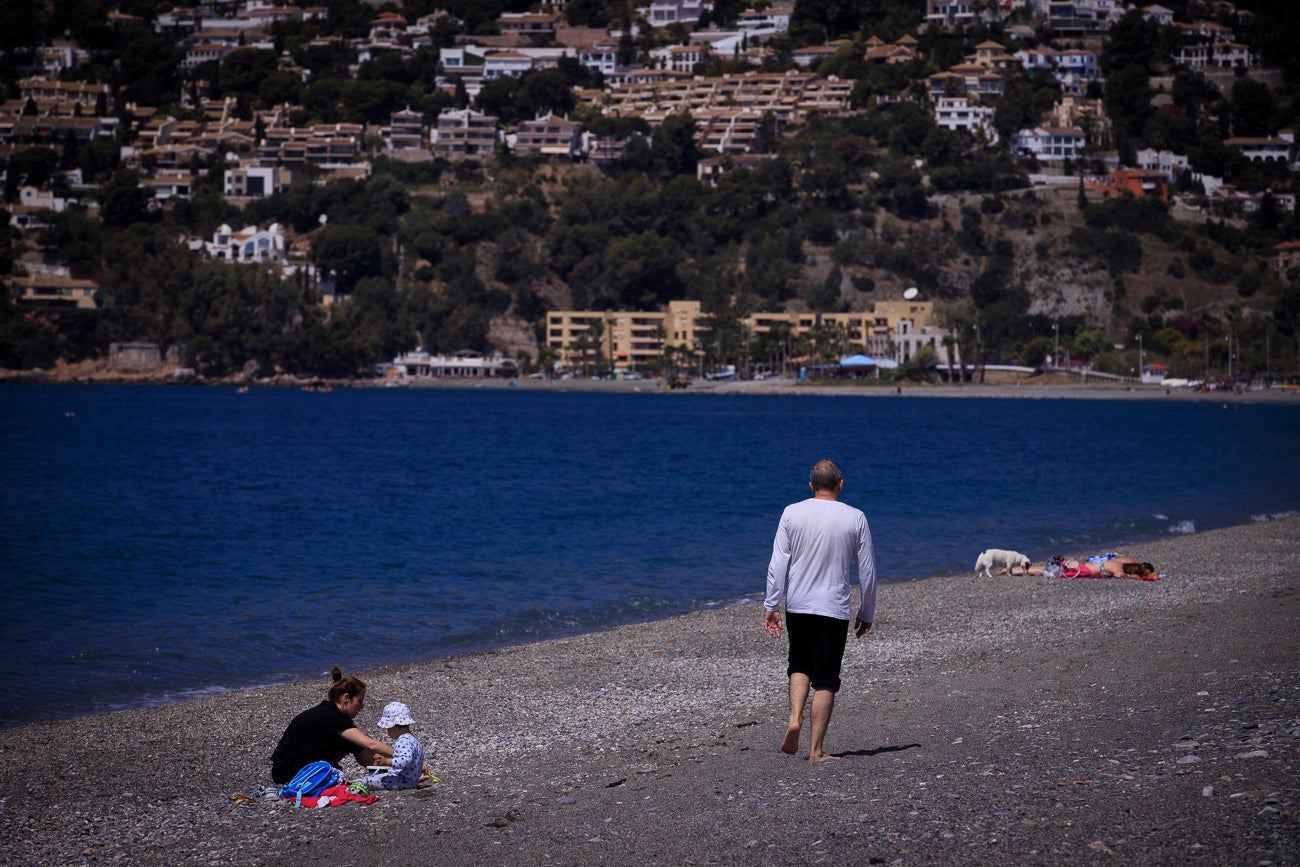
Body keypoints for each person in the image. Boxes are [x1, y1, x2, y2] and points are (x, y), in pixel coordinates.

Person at [763, 459, 877, 763]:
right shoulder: (855, 517)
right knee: (825, 679)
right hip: (833, 607)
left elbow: (778, 563)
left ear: (811, 486)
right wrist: (867, 611)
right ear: (840, 484)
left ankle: (794, 719)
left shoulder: (792, 512)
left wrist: (772, 604)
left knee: (799, 663)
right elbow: (866, 570)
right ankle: (815, 751)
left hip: (799, 603)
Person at [270, 667, 394, 784]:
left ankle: (394, 769)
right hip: (289, 772)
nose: (361, 706)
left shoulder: (331, 712)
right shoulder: (333, 716)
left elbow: (363, 747)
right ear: (346, 698)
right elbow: (371, 744)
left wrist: (395, 763)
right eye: (359, 701)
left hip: (288, 769)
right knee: (354, 743)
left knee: (354, 741)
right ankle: (400, 765)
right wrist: (404, 755)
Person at [358, 701, 428, 791]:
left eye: (388, 728)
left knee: (369, 780)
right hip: (411, 779)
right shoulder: (414, 740)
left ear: (393, 726)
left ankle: (355, 784)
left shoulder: (403, 740)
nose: (387, 731)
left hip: (403, 780)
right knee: (381, 776)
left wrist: (387, 761)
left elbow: (406, 760)